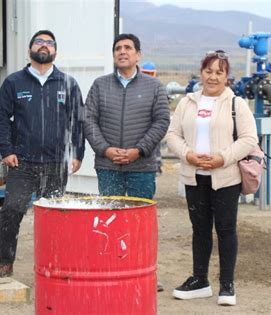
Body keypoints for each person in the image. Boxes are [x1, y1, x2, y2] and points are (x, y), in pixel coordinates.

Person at [0, 30, 85, 280]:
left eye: (50, 43)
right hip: (22, 161)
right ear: (30, 49)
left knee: (52, 216)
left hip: (55, 163)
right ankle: (4, 263)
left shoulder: (68, 83)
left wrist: (77, 153)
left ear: (55, 51)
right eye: (39, 42)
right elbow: (1, 116)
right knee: (11, 210)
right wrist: (7, 150)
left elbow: (78, 121)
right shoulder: (14, 82)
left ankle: (52, 263)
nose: (44, 46)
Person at [165, 50, 258, 306]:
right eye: (208, 71)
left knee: (226, 230)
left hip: (225, 177)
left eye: (219, 72)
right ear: (201, 72)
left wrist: (222, 158)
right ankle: (200, 280)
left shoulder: (236, 104)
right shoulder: (187, 103)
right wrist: (188, 155)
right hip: (195, 176)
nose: (213, 77)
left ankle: (227, 284)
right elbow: (172, 134)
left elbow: (249, 139)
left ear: (227, 76)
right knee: (200, 229)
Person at [84, 33, 170, 292]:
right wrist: (106, 150)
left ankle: (143, 272)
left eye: (128, 48)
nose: (123, 52)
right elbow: (89, 120)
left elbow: (162, 121)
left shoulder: (154, 87)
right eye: (118, 48)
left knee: (140, 221)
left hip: (141, 167)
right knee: (109, 219)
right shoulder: (99, 86)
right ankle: (111, 270)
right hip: (108, 166)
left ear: (138, 55)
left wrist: (139, 150)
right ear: (114, 55)